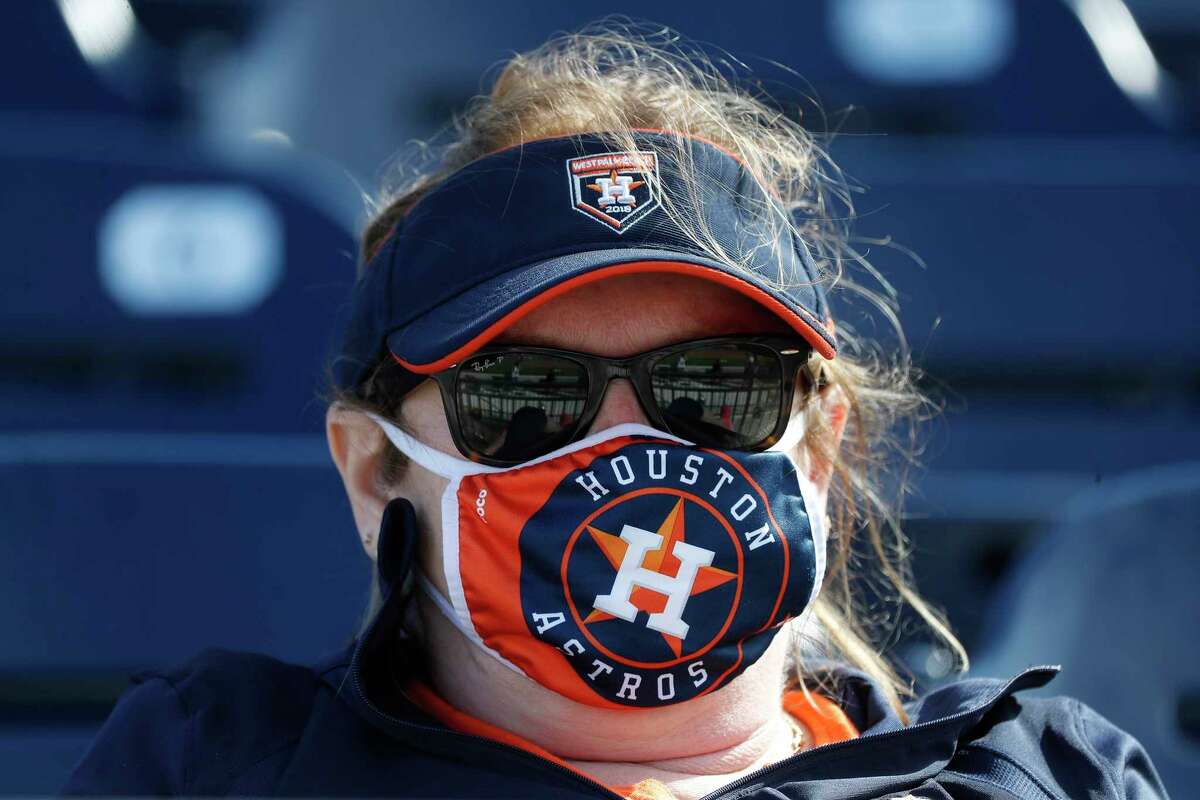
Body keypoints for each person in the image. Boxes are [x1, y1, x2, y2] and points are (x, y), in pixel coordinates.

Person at [63, 24, 1168, 800]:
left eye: (711, 388)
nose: (628, 446)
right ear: (373, 473)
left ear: (819, 449)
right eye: (525, 397)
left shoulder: (1040, 777)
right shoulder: (213, 770)